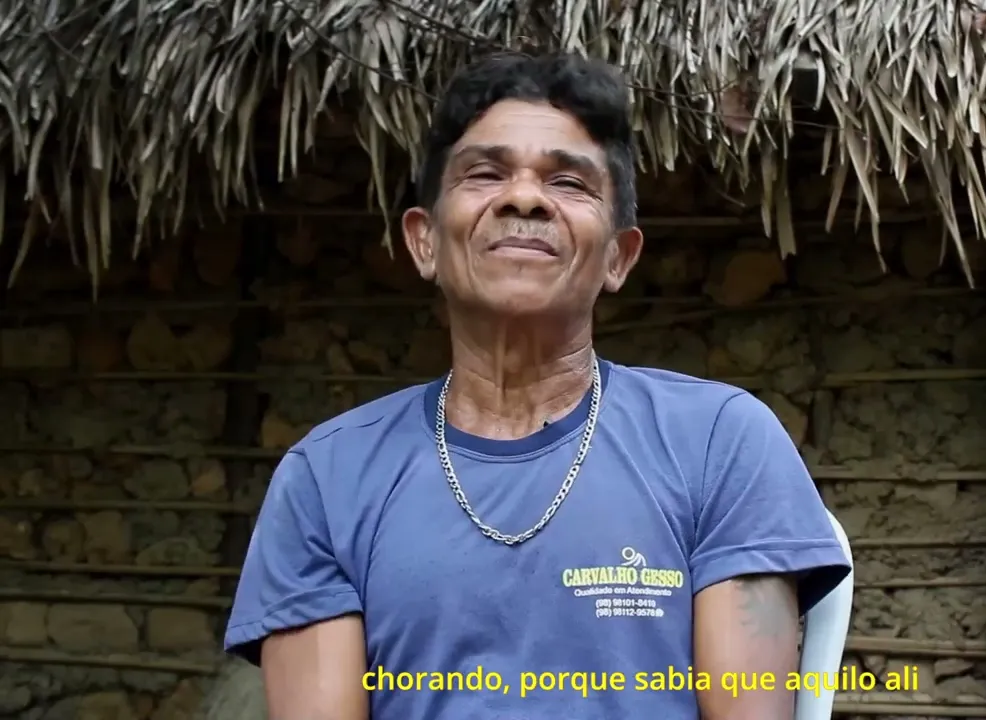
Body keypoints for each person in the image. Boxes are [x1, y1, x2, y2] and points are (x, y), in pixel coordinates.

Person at [223, 51, 852, 720]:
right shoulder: (328, 478)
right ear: (424, 241)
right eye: (485, 173)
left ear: (618, 257)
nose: (524, 198)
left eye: (569, 182)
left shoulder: (719, 442)